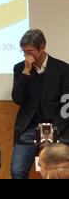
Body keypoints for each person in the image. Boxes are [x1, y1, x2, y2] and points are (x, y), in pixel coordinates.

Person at [11, 29, 69, 179]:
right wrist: (26, 73)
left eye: (30, 52)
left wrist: (50, 134)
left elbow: (66, 106)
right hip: (29, 127)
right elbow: (17, 99)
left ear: (42, 47)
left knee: (56, 172)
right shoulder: (20, 69)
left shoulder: (63, 69)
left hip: (56, 127)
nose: (27, 56)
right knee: (17, 171)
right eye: (24, 53)